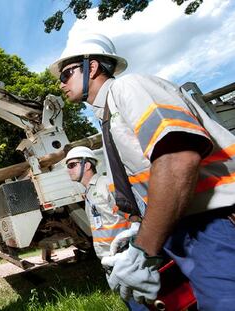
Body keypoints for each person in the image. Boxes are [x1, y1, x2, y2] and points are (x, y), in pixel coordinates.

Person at [50, 32, 235, 310]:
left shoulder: (130, 88)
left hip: (209, 224)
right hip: (180, 227)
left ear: (92, 67)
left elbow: (177, 160)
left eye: (66, 74)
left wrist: (143, 249)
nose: (61, 83)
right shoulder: (108, 119)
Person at [65, 146, 146, 311]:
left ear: (87, 165)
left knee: (140, 304)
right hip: (110, 259)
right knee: (131, 303)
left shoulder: (106, 184)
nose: (68, 170)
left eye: (72, 164)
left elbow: (134, 217)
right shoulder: (89, 192)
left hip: (125, 256)